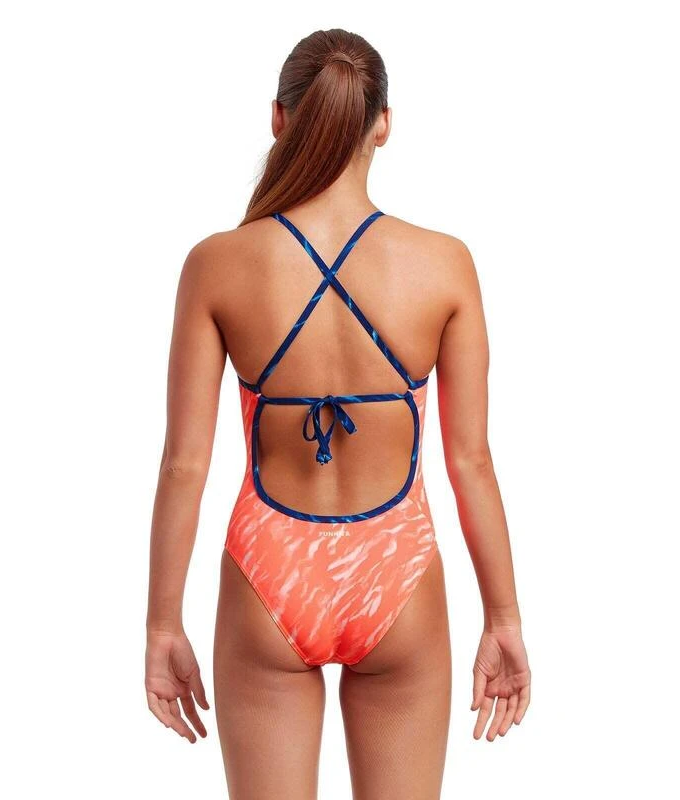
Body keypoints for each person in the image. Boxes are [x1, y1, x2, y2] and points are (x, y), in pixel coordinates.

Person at [145, 27, 531, 800]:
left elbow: (185, 463)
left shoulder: (217, 264)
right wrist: (503, 618)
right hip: (398, 572)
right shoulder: (444, 264)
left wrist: (162, 625)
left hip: (266, 571)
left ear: (279, 118)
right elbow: (471, 461)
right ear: (383, 123)